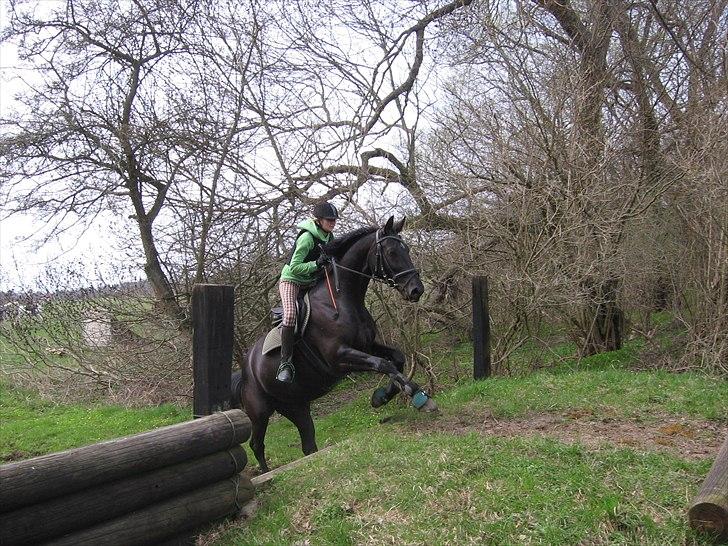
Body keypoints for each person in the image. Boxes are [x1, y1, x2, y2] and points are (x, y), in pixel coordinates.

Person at [276, 201, 339, 383]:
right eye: (329, 220)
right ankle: (285, 363)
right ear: (319, 220)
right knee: (289, 316)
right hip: (292, 281)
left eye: (334, 220)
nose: (333, 222)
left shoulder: (329, 237)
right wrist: (317, 264)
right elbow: (294, 267)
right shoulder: (307, 238)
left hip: (312, 281)